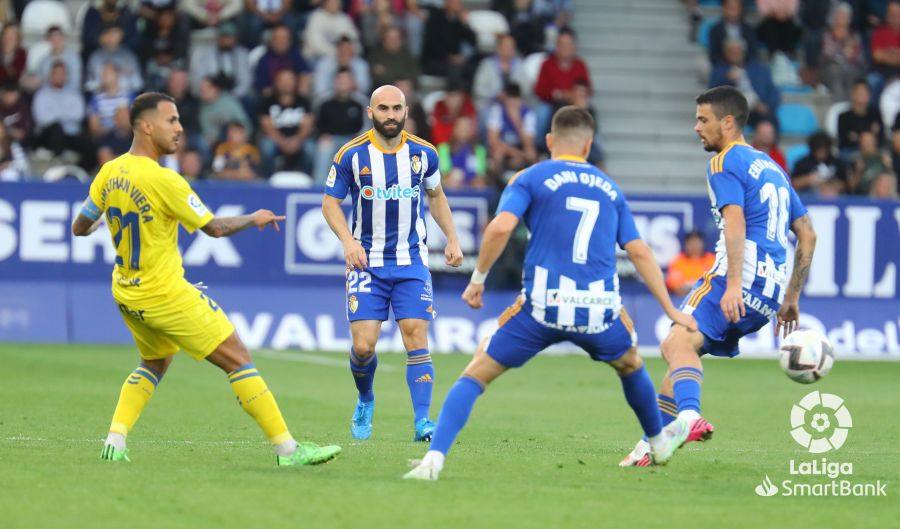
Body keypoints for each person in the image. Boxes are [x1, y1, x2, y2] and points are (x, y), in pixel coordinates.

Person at [404, 106, 699, 481]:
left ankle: (433, 462)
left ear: (548, 141)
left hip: (543, 307)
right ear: (589, 145)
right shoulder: (609, 188)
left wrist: (478, 278)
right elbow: (639, 251)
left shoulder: (531, 177)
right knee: (631, 364)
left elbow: (499, 228)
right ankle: (657, 441)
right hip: (599, 310)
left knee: (476, 375)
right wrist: (670, 309)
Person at [71, 92, 341, 466]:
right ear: (147, 126)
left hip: (127, 292)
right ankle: (288, 451)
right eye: (172, 121)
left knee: (154, 362)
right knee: (238, 359)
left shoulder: (110, 171)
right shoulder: (166, 181)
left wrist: (97, 223)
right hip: (165, 294)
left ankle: (115, 441)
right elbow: (213, 228)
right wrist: (253, 218)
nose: (180, 128)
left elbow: (79, 225)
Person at [620, 86, 817, 467]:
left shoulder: (724, 162)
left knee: (673, 344)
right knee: (684, 353)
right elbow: (807, 233)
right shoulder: (773, 168)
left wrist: (730, 285)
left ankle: (689, 417)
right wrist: (791, 298)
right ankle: (653, 446)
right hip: (771, 293)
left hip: (738, 279)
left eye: (703, 119)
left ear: (727, 122)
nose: (696, 127)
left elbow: (735, 222)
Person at [321, 85, 464, 442]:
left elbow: (437, 197)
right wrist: (349, 241)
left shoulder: (424, 153)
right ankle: (366, 398)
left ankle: (422, 422)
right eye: (382, 108)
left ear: (406, 110)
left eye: (396, 108)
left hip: (411, 261)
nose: (390, 115)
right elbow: (329, 204)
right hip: (366, 263)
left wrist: (453, 238)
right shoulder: (351, 154)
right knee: (364, 346)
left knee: (416, 334)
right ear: (371, 112)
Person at [32, 62, 96, 170]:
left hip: (70, 135)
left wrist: (55, 114)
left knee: (90, 145)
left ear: (66, 76)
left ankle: (79, 175)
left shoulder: (74, 93)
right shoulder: (41, 94)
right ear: (50, 75)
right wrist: (65, 115)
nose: (59, 76)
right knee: (56, 128)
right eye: (56, 73)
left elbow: (79, 115)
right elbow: (41, 118)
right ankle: (58, 167)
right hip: (49, 135)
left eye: (62, 73)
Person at [708, 38, 779, 127]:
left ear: (743, 51)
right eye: (731, 51)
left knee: (768, 125)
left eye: (737, 50)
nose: (735, 54)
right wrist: (727, 80)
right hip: (732, 113)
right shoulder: (719, 71)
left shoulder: (759, 69)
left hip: (758, 110)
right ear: (725, 53)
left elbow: (773, 91)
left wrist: (767, 107)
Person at [312, 68, 367, 182]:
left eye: (347, 80)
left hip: (353, 140)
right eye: (340, 80)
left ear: (353, 83)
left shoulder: (361, 102)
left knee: (358, 151)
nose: (343, 83)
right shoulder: (323, 101)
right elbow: (316, 125)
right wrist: (322, 135)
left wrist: (357, 139)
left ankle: (361, 190)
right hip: (329, 140)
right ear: (334, 82)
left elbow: (366, 126)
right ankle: (318, 188)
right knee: (324, 149)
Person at [259, 69, 315, 173]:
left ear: (295, 82)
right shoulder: (267, 102)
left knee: (311, 148)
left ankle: (307, 182)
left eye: (289, 80)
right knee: (266, 146)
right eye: (283, 80)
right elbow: (266, 125)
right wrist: (282, 142)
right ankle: (266, 180)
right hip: (275, 139)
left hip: (299, 139)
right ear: (276, 82)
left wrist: (297, 140)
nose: (286, 84)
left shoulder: (303, 101)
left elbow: (307, 124)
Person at [189, 22, 251, 99]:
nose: (226, 41)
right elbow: (199, 78)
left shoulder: (242, 54)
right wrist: (212, 93)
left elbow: (245, 81)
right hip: (210, 95)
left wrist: (233, 96)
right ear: (218, 38)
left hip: (236, 96)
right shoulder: (205, 53)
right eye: (223, 37)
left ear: (235, 38)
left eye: (229, 37)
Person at [818, 3, 865, 102]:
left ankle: (849, 107)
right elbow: (828, 55)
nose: (842, 18)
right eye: (839, 15)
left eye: (845, 16)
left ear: (849, 19)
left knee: (850, 74)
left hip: (851, 69)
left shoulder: (855, 36)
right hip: (830, 69)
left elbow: (858, 58)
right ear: (834, 17)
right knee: (836, 73)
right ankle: (840, 107)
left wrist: (846, 56)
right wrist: (845, 54)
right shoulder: (827, 35)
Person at [85, 25, 144, 94]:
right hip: (101, 98)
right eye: (109, 33)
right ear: (102, 36)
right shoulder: (95, 56)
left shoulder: (128, 55)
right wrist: (105, 86)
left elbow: (138, 83)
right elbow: (89, 85)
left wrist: (117, 84)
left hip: (126, 97)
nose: (112, 37)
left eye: (115, 34)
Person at [437, 115, 487, 189]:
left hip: (472, 184)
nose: (464, 129)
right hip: (450, 184)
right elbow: (444, 172)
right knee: (454, 178)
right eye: (461, 127)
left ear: (472, 131)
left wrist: (469, 179)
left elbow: (480, 173)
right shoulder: (443, 148)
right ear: (454, 129)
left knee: (480, 183)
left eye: (467, 127)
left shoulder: (480, 150)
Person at [837, 80, 884, 156]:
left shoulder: (875, 114)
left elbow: (881, 136)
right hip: (852, 150)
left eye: (865, 93)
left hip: (874, 150)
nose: (862, 96)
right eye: (859, 93)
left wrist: (860, 138)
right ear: (853, 95)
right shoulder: (843, 117)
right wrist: (864, 140)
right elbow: (844, 140)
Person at [708, 0, 758, 66]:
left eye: (736, 8)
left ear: (741, 9)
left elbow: (752, 53)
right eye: (730, 8)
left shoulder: (749, 30)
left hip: (745, 67)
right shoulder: (715, 30)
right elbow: (714, 55)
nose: (733, 11)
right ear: (724, 9)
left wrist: (743, 67)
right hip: (723, 67)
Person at [666, 231, 715, 296]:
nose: (694, 245)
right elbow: (677, 288)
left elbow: (716, 285)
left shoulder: (712, 260)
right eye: (691, 243)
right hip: (682, 300)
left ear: (702, 243)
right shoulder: (678, 261)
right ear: (686, 245)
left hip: (708, 299)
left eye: (697, 242)